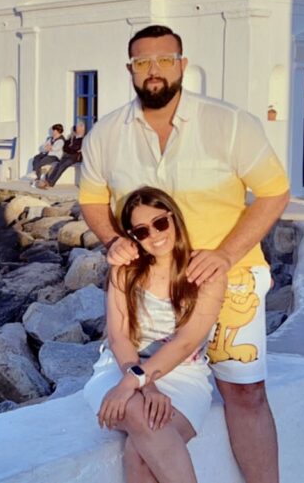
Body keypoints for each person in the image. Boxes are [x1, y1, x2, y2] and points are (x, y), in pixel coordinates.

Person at [80, 24, 290, 483]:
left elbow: (274, 192)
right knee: (149, 415)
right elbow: (93, 200)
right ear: (130, 70)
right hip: (148, 287)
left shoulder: (229, 123)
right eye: (142, 63)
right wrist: (114, 239)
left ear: (182, 64)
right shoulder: (107, 132)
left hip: (227, 280)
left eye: (164, 60)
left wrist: (226, 253)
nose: (153, 71)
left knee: (246, 393)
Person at [84, 187, 224, 483]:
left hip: (183, 374)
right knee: (139, 411)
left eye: (160, 223)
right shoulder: (125, 271)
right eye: (142, 231)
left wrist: (136, 382)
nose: (155, 235)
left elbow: (186, 342)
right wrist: (143, 385)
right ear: (133, 236)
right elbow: (120, 338)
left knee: (141, 453)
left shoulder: (205, 272)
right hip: (121, 366)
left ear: (173, 219)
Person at [39, 121, 85, 188]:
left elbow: (76, 149)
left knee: (62, 166)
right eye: (76, 127)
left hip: (75, 157)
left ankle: (50, 182)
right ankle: (48, 181)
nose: (76, 129)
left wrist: (71, 148)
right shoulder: (73, 137)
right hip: (67, 155)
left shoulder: (83, 138)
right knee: (58, 165)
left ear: (82, 128)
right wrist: (71, 148)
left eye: (77, 127)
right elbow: (65, 146)